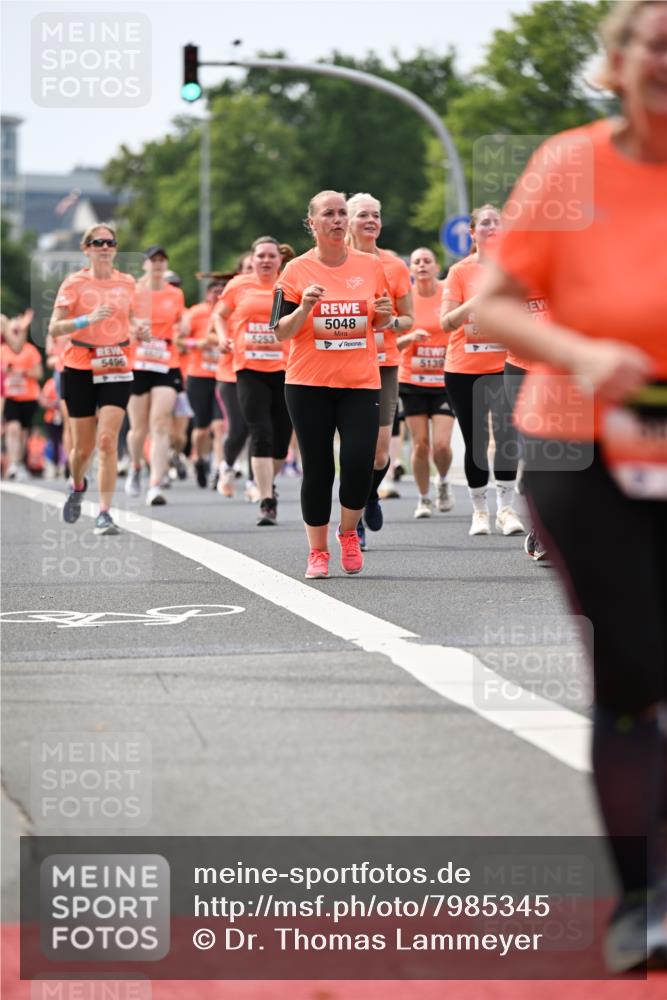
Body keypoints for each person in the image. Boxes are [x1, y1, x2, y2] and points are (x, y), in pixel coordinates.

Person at [475, 0, 667, 971]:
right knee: (635, 667)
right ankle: (643, 901)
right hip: (575, 446)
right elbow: (489, 302)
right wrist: (580, 350)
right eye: (656, 44)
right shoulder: (570, 163)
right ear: (618, 60)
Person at [273, 190, 393, 578]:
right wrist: (305, 307)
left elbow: (379, 320)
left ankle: (348, 533)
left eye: (343, 213)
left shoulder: (371, 265)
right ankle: (318, 551)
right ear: (312, 223)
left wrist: (384, 317)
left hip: (360, 381)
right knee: (319, 467)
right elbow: (279, 331)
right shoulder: (294, 271)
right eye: (329, 214)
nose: (338, 220)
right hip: (308, 384)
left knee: (359, 461)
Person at [48, 223, 144, 533]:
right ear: (86, 248)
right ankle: (77, 485)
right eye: (97, 242)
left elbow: (132, 317)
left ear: (115, 248)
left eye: (110, 242)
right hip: (79, 365)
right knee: (82, 448)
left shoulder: (128, 282)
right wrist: (86, 319)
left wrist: (139, 327)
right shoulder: (74, 283)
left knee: (106, 441)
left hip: (116, 362)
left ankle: (105, 512)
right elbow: (54, 328)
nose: (104, 246)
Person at [440, 206, 524, 537]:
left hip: (508, 365)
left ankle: (506, 508)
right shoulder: (460, 272)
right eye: (485, 223)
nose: (492, 227)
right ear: (472, 233)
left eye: (498, 223)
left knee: (507, 437)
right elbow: (446, 323)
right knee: (477, 438)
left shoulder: (517, 270)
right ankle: (479, 511)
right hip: (464, 368)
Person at [346, 193, 414, 546]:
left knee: (380, 452)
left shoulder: (395, 266)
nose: (371, 220)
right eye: (362, 215)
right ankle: (352, 517)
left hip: (383, 364)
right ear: (348, 220)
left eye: (376, 215)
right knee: (354, 449)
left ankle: (370, 494)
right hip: (344, 363)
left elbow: (409, 318)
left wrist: (389, 321)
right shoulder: (336, 261)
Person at [219, 237, 293, 525]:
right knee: (260, 431)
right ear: (252, 259)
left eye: (270, 256)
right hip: (248, 368)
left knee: (282, 439)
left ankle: (268, 483)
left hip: (286, 370)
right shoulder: (238, 285)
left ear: (279, 260)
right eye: (260, 255)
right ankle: (266, 498)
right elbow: (219, 314)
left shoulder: (289, 284)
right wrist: (222, 337)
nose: (265, 260)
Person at [397, 247, 455, 518]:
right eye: (416, 261)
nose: (421, 265)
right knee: (420, 444)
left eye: (427, 261)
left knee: (441, 444)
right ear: (411, 269)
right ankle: (423, 498)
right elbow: (389, 344)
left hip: (445, 380)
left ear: (436, 267)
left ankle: (443, 481)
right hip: (412, 379)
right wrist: (409, 338)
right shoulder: (405, 298)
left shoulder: (448, 293)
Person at [125, 245, 185, 506]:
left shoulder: (176, 294)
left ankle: (155, 483)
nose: (158, 264)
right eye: (153, 260)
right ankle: (136, 466)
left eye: (162, 260)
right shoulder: (133, 291)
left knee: (160, 422)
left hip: (166, 361)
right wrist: (133, 328)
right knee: (138, 428)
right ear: (145, 265)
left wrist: (181, 328)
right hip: (138, 362)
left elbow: (180, 321)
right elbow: (121, 320)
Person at [179, 280, 225, 487]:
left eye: (221, 292)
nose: (217, 295)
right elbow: (178, 340)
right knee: (201, 429)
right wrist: (197, 343)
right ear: (207, 294)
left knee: (220, 425)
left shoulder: (229, 313)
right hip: (199, 375)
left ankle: (218, 469)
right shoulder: (196, 313)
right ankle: (200, 459)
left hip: (223, 376)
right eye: (214, 291)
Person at [1, 313, 43, 481]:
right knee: (13, 429)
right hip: (10, 396)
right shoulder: (3, 350)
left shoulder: (29, 350)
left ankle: (18, 463)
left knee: (22, 433)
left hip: (27, 396)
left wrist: (22, 371)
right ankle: (13, 464)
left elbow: (18, 345)